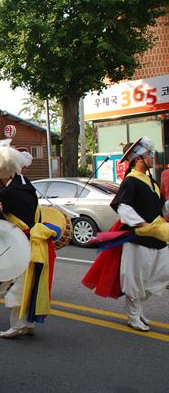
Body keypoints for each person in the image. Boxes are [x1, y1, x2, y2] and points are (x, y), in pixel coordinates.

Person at [82, 137, 169, 331]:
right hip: (139, 238)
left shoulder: (151, 181)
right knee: (136, 278)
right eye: (149, 154)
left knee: (161, 274)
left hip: (157, 237)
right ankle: (133, 315)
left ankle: (138, 309)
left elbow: (162, 206)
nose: (152, 158)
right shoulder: (131, 181)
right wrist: (141, 222)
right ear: (139, 158)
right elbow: (123, 206)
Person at [0, 142, 56, 339]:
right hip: (29, 239)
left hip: (20, 241)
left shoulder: (7, 192)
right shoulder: (24, 184)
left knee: (19, 283)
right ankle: (28, 322)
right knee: (29, 281)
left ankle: (18, 324)